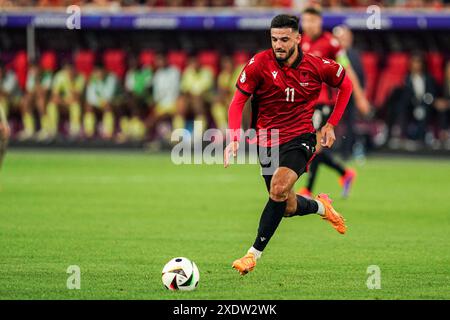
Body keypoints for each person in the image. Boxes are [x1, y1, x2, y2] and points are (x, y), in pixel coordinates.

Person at [224, 14, 352, 276]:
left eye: (284, 39)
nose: (278, 45)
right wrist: (234, 137)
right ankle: (321, 206)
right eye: (274, 39)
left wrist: (330, 124)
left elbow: (346, 85)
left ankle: (252, 255)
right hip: (267, 140)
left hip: (300, 138)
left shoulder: (317, 65)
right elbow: (237, 102)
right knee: (287, 206)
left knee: (278, 188)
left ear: (298, 39)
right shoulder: (259, 64)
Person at [297, 7, 368, 199]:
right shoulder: (299, 41)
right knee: (312, 146)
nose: (308, 25)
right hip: (305, 103)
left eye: (312, 21)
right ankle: (345, 174)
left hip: (324, 102)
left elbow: (347, 68)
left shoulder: (331, 43)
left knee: (315, 146)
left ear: (319, 22)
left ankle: (307, 190)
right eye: (305, 21)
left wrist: (360, 95)